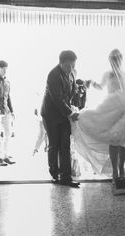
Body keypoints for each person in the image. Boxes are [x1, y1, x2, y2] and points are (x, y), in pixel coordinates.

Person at [71, 49, 125, 187]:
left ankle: (121, 167)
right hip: (111, 108)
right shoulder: (107, 74)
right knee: (113, 139)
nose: (114, 62)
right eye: (112, 60)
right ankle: (115, 172)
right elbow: (100, 87)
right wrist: (91, 83)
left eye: (116, 59)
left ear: (121, 60)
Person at [40, 50, 80, 188]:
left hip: (63, 114)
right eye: (68, 66)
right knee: (54, 145)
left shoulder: (71, 74)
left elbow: (70, 94)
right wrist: (70, 113)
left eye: (73, 66)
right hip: (51, 114)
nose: (71, 69)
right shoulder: (53, 75)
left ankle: (66, 177)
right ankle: (54, 175)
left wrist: (74, 108)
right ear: (61, 63)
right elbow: (57, 98)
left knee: (65, 145)